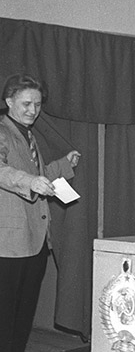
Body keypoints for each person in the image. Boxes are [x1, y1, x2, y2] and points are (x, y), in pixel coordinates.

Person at [0, 74, 80, 352]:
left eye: (37, 104)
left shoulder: (28, 135)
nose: (32, 110)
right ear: (9, 101)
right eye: (26, 103)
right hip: (8, 245)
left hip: (35, 241)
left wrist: (62, 166)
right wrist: (31, 181)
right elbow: (3, 171)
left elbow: (38, 176)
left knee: (23, 315)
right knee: (5, 316)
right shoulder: (2, 131)